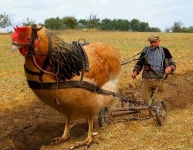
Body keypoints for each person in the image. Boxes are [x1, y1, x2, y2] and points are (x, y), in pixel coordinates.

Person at [131, 34, 176, 106]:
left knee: (157, 101)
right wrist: (135, 71)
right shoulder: (145, 50)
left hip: (159, 79)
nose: (153, 44)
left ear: (159, 41)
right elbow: (139, 63)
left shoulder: (165, 51)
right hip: (147, 79)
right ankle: (148, 114)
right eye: (151, 42)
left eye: (154, 42)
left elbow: (173, 64)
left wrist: (169, 68)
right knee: (146, 100)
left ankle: (156, 113)